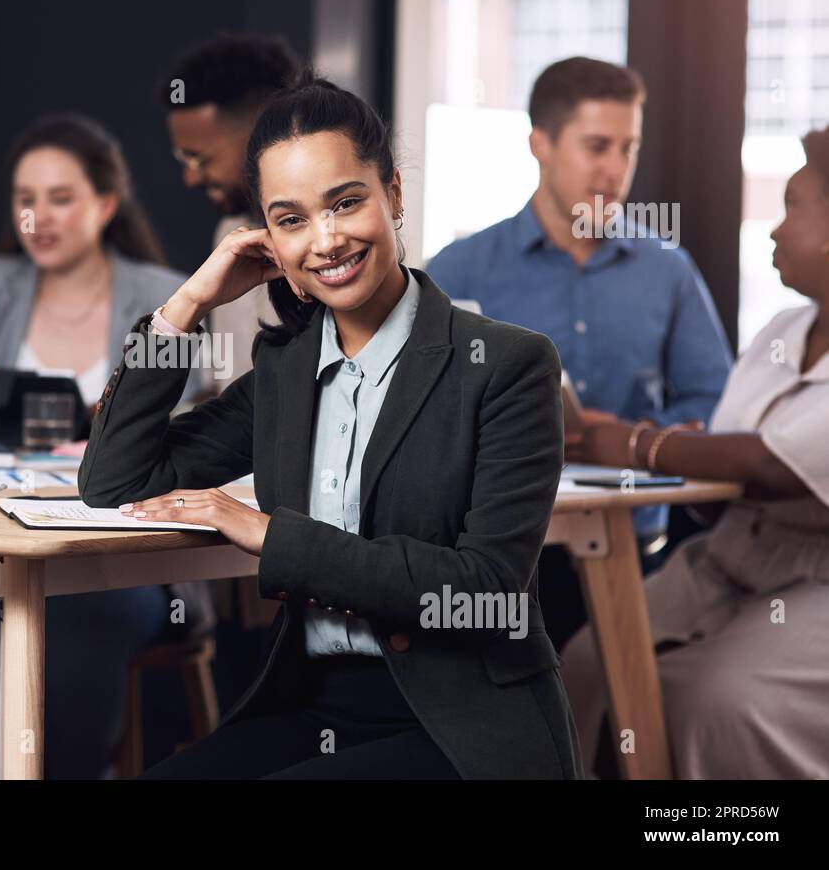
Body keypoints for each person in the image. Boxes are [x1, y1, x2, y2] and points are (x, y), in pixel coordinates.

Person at [80, 72, 582, 779]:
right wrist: (187, 304)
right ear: (267, 239)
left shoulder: (507, 365)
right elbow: (114, 480)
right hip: (315, 712)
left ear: (395, 194)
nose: (326, 240)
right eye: (291, 220)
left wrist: (273, 535)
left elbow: (486, 592)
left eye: (345, 203)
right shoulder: (286, 373)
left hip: (461, 728)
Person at [0, 115, 207, 779]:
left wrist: (124, 417)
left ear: (104, 205)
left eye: (60, 198)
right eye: (25, 199)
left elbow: (195, 421)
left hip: (114, 545)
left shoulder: (162, 294)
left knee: (72, 642)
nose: (38, 217)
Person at [424, 56, 733, 650]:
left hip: (634, 555)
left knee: (620, 723)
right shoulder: (460, 268)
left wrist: (634, 437)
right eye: (597, 146)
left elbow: (713, 401)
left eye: (628, 147)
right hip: (497, 557)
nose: (615, 170)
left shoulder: (667, 271)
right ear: (540, 143)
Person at [560, 127, 829, 780]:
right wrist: (676, 453)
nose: (773, 231)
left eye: (793, 206)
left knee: (716, 702)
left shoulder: (668, 271)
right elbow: (721, 456)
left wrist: (633, 442)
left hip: (817, 578)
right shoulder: (782, 330)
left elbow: (769, 466)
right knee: (585, 663)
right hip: (727, 554)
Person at [162, 33, 302, 387]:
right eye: (183, 159)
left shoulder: (329, 248)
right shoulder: (229, 234)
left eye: (199, 158)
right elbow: (227, 387)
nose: (190, 178)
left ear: (262, 130)